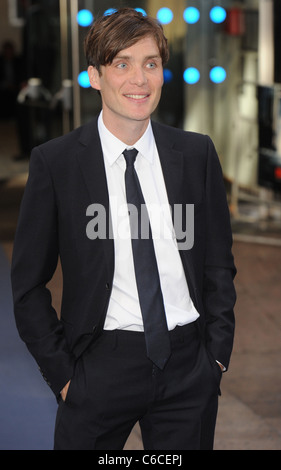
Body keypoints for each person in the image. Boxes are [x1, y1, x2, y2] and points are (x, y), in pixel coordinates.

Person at [11, 8, 236, 450]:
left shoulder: (196, 155)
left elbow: (217, 264)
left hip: (189, 367)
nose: (140, 79)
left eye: (150, 63)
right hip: (98, 368)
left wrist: (216, 358)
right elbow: (27, 285)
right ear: (94, 76)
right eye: (122, 64)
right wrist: (64, 376)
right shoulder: (56, 164)